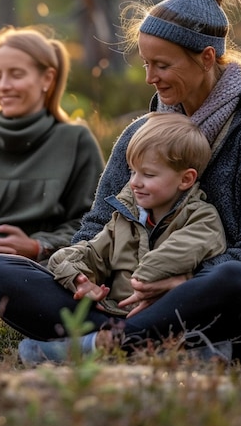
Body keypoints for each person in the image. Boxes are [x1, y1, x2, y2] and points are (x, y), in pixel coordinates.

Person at [0, 0, 241, 363]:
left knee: (237, 281)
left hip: (215, 303)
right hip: (120, 299)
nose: (150, 78)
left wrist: (183, 283)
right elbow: (96, 225)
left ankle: (93, 346)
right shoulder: (138, 135)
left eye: (162, 65)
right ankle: (144, 342)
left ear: (205, 58)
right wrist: (81, 277)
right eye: (146, 63)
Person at [0, 25, 105, 291]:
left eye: (16, 75)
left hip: (48, 266)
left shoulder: (75, 141)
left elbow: (93, 222)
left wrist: (37, 246)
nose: (3, 86)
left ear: (47, 79)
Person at [48, 111, 226, 319]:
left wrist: (140, 279)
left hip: (169, 315)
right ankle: (103, 336)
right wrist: (78, 276)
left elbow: (179, 251)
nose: (134, 182)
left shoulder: (202, 218)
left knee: (234, 280)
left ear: (186, 179)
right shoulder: (124, 218)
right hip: (112, 312)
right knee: (8, 269)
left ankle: (105, 340)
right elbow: (92, 253)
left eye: (148, 174)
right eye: (132, 172)